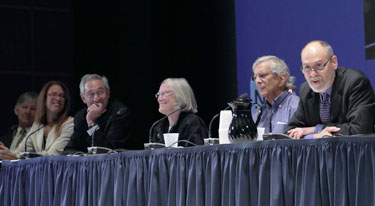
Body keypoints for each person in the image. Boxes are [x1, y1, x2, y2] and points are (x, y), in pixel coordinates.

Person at [287, 40, 375, 139]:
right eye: (307, 67)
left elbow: (359, 130)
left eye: (319, 65)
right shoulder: (306, 90)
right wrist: (315, 136)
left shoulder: (355, 83)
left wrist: (316, 130)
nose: (312, 74)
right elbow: (291, 131)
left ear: (334, 62)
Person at [64, 74, 139, 154]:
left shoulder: (120, 113)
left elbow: (108, 152)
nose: (96, 98)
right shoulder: (81, 116)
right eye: (91, 94)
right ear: (83, 98)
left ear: (108, 93)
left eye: (100, 92)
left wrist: (91, 122)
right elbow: (68, 150)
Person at [0, 81, 74, 159]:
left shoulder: (69, 123)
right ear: (44, 99)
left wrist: (11, 155)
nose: (58, 98)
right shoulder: (37, 125)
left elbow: (53, 154)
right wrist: (5, 153)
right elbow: (20, 151)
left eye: (62, 96)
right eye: (54, 94)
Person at [150, 78, 207, 147]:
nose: (159, 99)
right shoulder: (158, 127)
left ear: (180, 96)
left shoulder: (192, 123)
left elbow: (197, 154)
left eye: (163, 94)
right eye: (158, 95)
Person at [251, 55, 300, 134]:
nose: (257, 81)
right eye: (255, 77)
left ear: (281, 79)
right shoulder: (257, 115)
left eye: (262, 76)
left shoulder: (296, 107)